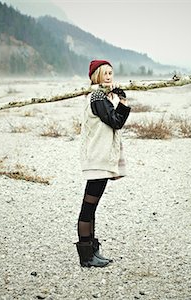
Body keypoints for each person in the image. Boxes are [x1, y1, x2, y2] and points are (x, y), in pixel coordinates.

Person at [76, 60, 131, 267]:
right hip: (97, 159)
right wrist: (123, 102)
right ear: (96, 76)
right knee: (88, 207)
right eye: (104, 73)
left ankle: (92, 250)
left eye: (111, 72)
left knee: (92, 206)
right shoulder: (97, 97)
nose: (109, 76)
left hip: (99, 157)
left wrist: (117, 99)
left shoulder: (102, 97)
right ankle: (86, 256)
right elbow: (116, 121)